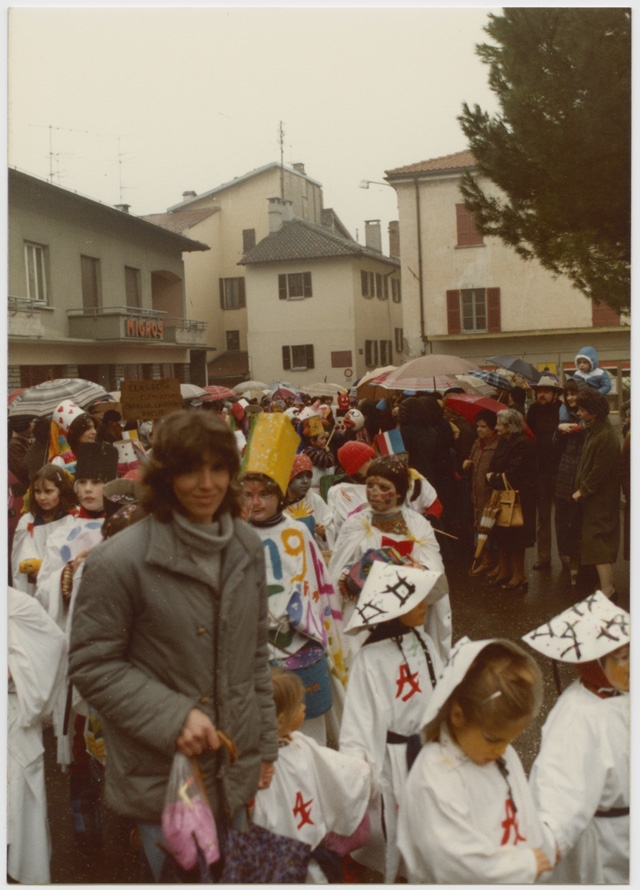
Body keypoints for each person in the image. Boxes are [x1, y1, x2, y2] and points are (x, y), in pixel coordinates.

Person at [68, 410, 278, 881]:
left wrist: (265, 746)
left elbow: (254, 656)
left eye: (218, 468)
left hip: (234, 764)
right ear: (164, 477)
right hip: (163, 775)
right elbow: (92, 664)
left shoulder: (245, 545)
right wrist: (174, 717)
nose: (207, 484)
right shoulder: (118, 561)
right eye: (190, 470)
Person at [397, 636, 553, 884]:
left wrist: (540, 848)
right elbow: (453, 862)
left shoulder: (497, 751)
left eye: (509, 740)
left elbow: (524, 812)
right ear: (458, 715)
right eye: (493, 739)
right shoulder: (434, 778)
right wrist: (523, 865)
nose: (502, 750)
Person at [240, 413, 347, 747]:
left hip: (300, 646)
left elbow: (318, 590)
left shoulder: (298, 533)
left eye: (264, 494)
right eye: (247, 494)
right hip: (252, 652)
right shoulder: (233, 535)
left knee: (305, 734)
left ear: (281, 494)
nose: (255, 503)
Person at [339, 562, 444, 882]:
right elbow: (359, 719)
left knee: (429, 821)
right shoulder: (370, 658)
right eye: (415, 600)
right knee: (393, 825)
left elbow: (439, 689)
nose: (424, 605)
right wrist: (358, 772)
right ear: (393, 609)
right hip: (393, 761)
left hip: (428, 751)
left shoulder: (423, 641)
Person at [524, 592, 629, 883]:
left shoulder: (624, 692)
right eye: (623, 658)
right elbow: (558, 794)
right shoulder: (577, 718)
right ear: (594, 664)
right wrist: (543, 851)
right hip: (607, 849)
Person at [252, 668, 371, 884]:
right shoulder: (265, 767)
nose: (304, 708)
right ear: (280, 721)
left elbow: (332, 766)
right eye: (298, 706)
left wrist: (359, 768)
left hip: (304, 855)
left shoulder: (298, 742)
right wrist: (363, 770)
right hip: (285, 859)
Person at [328, 456, 450, 665]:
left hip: (407, 614)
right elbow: (337, 570)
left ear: (400, 492)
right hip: (363, 619)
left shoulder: (418, 525)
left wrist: (420, 569)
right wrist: (352, 576)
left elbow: (435, 569)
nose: (374, 492)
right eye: (370, 485)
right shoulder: (355, 524)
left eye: (384, 487)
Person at [8, 585, 67, 884]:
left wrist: (14, 672)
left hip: (11, 717)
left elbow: (55, 642)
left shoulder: (15, 603)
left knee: (16, 811)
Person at [572, 389, 620, 599]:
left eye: (582, 410)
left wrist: (583, 490)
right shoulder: (595, 430)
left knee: (598, 542)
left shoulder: (605, 435)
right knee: (595, 541)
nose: (579, 413)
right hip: (594, 498)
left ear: (595, 412)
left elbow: (599, 470)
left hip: (600, 499)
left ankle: (608, 589)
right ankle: (605, 586)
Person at [485, 408, 536, 591]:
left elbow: (513, 474)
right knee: (501, 534)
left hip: (519, 499)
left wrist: (493, 478)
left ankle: (519, 574)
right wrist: (493, 476)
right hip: (502, 495)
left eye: (499, 424)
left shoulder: (521, 443)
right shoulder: (503, 441)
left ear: (510, 426)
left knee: (516, 537)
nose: (496, 428)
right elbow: (492, 466)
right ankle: (505, 571)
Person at [11, 464, 77, 594]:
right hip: (34, 588)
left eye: (48, 491)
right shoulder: (28, 521)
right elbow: (20, 557)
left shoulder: (72, 520)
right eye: (38, 491)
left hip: (61, 586)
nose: (42, 497)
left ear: (61, 491)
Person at [525, 374, 562, 570]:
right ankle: (544, 557)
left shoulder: (562, 409)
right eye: (539, 391)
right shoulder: (533, 410)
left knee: (562, 516)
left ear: (555, 394)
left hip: (560, 471)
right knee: (543, 517)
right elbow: (528, 435)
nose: (542, 395)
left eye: (546, 391)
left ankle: (565, 556)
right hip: (540, 471)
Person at [554, 378, 586, 586]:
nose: (571, 398)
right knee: (563, 517)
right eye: (568, 394)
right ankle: (567, 558)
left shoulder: (588, 416)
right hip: (565, 472)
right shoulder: (563, 414)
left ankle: (580, 563)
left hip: (581, 471)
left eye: (574, 393)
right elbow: (555, 445)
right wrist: (560, 430)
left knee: (578, 519)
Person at [462, 409, 500, 575]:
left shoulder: (498, 445)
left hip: (491, 494)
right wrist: (466, 464)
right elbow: (471, 461)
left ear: (492, 428)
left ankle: (498, 563)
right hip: (476, 493)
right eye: (478, 426)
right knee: (479, 526)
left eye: (483, 427)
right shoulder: (477, 443)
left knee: (493, 528)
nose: (479, 429)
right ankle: (485, 561)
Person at [284, 453, 333, 547]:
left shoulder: (315, 500)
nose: (305, 481)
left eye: (308, 476)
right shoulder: (276, 502)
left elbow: (329, 526)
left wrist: (323, 533)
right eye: (299, 477)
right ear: (289, 478)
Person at [49, 400, 98, 474]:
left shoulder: (94, 453)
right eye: (88, 428)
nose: (94, 432)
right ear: (75, 432)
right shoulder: (59, 461)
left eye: (94, 427)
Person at [8, 415, 35, 492]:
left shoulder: (23, 441)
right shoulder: (14, 445)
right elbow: (22, 469)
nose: (33, 424)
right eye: (31, 422)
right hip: (25, 486)